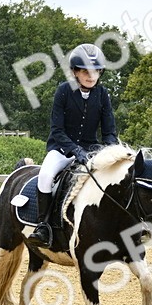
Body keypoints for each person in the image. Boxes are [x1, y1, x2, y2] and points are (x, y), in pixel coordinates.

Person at [29, 43, 119, 247]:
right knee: (45, 176)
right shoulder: (63, 91)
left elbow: (109, 132)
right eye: (85, 71)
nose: (91, 76)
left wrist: (112, 153)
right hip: (62, 150)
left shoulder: (103, 94)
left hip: (91, 151)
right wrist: (75, 149)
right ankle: (43, 226)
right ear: (74, 72)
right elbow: (57, 130)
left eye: (96, 71)